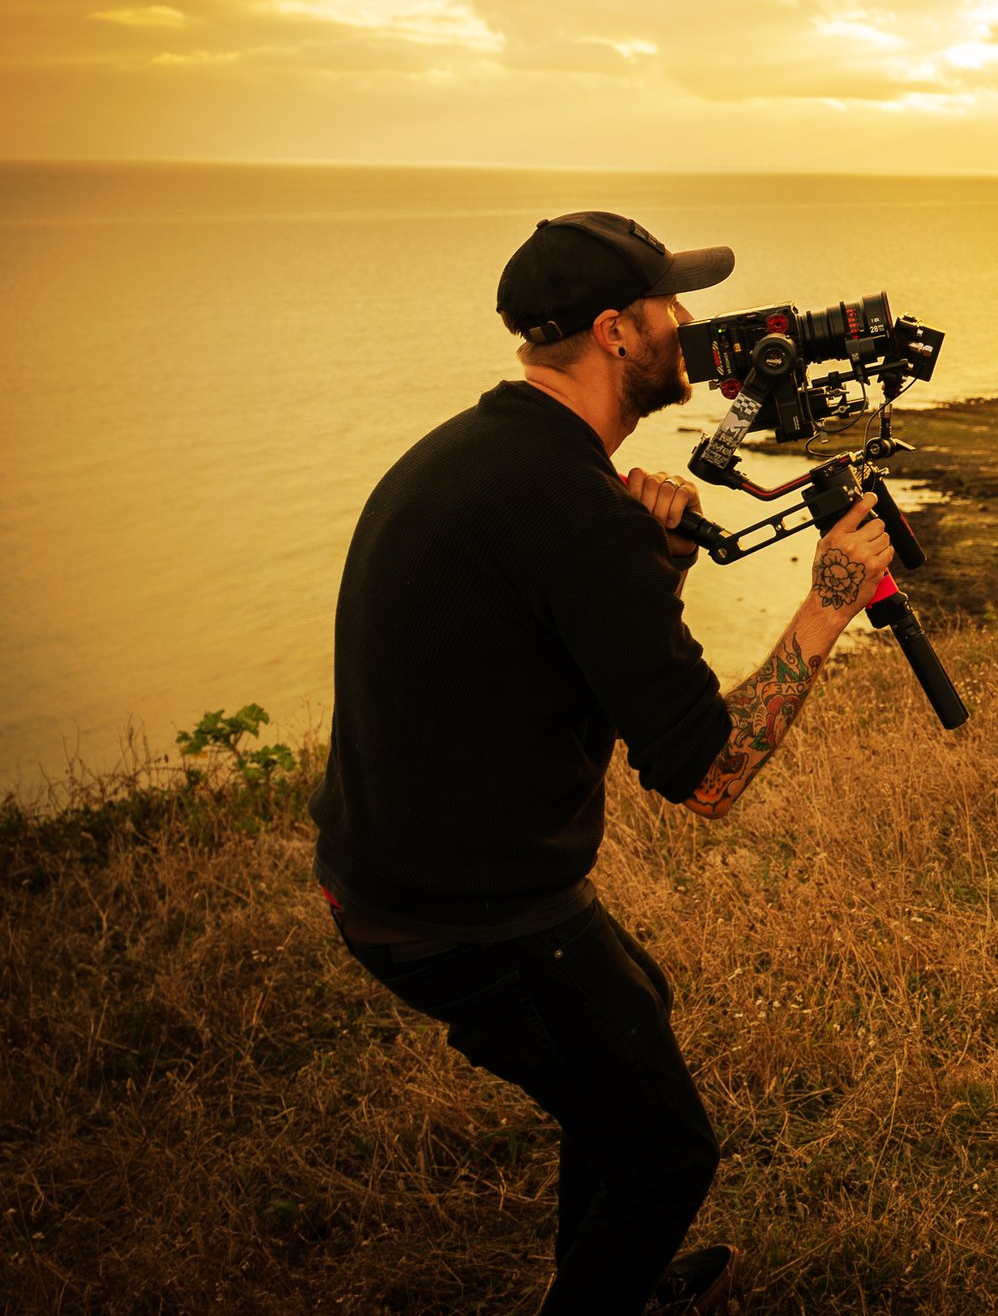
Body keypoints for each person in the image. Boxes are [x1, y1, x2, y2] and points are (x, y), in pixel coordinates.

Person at [310, 212, 895, 1315]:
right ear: (615, 331)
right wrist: (828, 605)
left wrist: (663, 560)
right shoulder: (574, 510)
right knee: (666, 1154)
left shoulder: (494, 451)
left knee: (633, 1019)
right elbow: (707, 776)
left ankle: (611, 1287)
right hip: (467, 912)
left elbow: (564, 646)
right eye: (670, 306)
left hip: (400, 865)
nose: (691, 325)